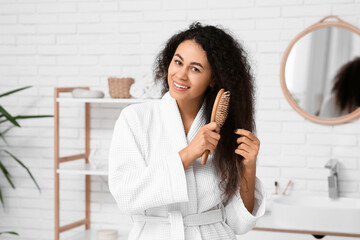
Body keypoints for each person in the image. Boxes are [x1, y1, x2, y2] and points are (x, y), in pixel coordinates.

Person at [108, 22, 265, 240]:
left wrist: (249, 167)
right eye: (178, 62)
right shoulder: (135, 119)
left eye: (195, 68)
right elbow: (125, 195)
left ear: (213, 79)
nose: (181, 75)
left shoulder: (225, 130)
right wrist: (189, 153)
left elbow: (238, 223)